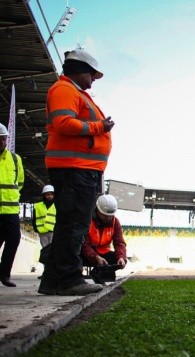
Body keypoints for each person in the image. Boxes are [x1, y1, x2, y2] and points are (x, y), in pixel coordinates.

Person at [39, 49, 115, 296]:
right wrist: (99, 127)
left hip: (80, 170)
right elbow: (64, 123)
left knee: (69, 224)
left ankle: (52, 280)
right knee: (74, 226)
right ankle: (69, 279)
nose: (93, 80)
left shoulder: (73, 92)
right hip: (75, 170)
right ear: (80, 71)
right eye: (92, 75)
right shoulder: (65, 90)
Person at [0, 121, 24, 288]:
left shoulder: (15, 159)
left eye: (4, 139)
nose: (2, 142)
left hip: (10, 208)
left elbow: (19, 182)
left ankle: (4, 273)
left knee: (14, 239)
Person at [81, 194, 127, 284]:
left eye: (111, 215)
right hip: (86, 254)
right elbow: (84, 245)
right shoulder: (88, 220)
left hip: (103, 253)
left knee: (118, 258)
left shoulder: (115, 222)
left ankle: (103, 277)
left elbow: (119, 243)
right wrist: (96, 257)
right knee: (75, 256)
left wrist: (121, 257)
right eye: (105, 215)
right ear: (98, 210)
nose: (109, 218)